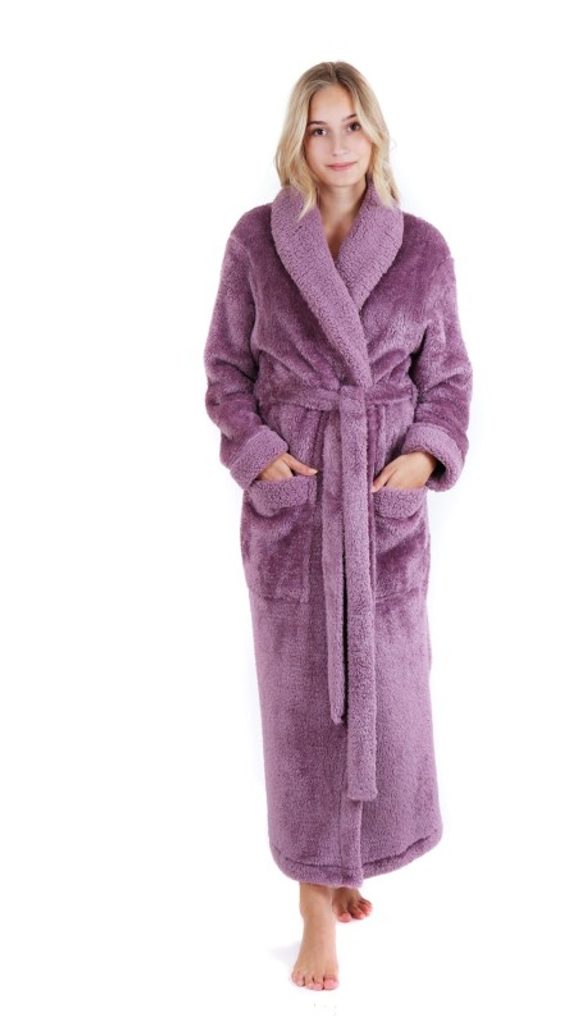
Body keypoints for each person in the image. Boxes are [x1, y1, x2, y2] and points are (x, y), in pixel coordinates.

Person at [203, 61, 473, 991]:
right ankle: (314, 902)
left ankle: (349, 856)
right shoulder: (257, 241)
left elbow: (449, 380)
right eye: (319, 128)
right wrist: (260, 455)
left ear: (375, 132)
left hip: (379, 505)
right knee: (303, 706)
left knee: (388, 693)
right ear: (299, 140)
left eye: (351, 124)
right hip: (301, 503)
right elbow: (225, 373)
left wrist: (424, 457)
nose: (338, 144)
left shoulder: (422, 249)